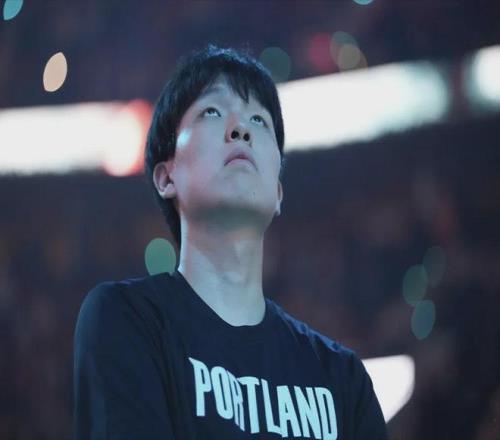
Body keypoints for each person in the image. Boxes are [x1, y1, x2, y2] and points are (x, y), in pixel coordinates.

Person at [73, 44, 388, 439]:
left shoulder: (342, 379)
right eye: (212, 111)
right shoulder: (127, 320)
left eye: (259, 120)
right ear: (166, 178)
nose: (241, 129)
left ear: (278, 192)